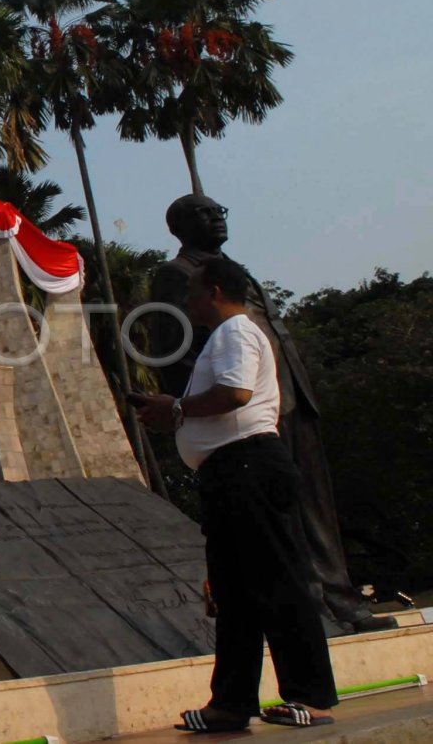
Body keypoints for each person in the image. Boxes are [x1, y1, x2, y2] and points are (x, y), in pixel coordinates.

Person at [149, 193, 394, 635]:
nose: (215, 219)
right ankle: (310, 607)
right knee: (279, 514)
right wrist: (197, 411)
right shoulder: (177, 276)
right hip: (247, 411)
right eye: (202, 213)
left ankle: (341, 597)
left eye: (218, 211)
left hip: (291, 395)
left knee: (316, 505)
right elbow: (174, 354)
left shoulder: (233, 269)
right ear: (178, 227)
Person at [135, 259, 337, 732]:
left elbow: (236, 393)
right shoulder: (223, 337)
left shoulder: (235, 333)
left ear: (216, 291)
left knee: (279, 582)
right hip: (229, 471)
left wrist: (178, 408)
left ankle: (311, 696)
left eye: (193, 292)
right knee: (233, 593)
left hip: (249, 464)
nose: (187, 301)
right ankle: (230, 702)